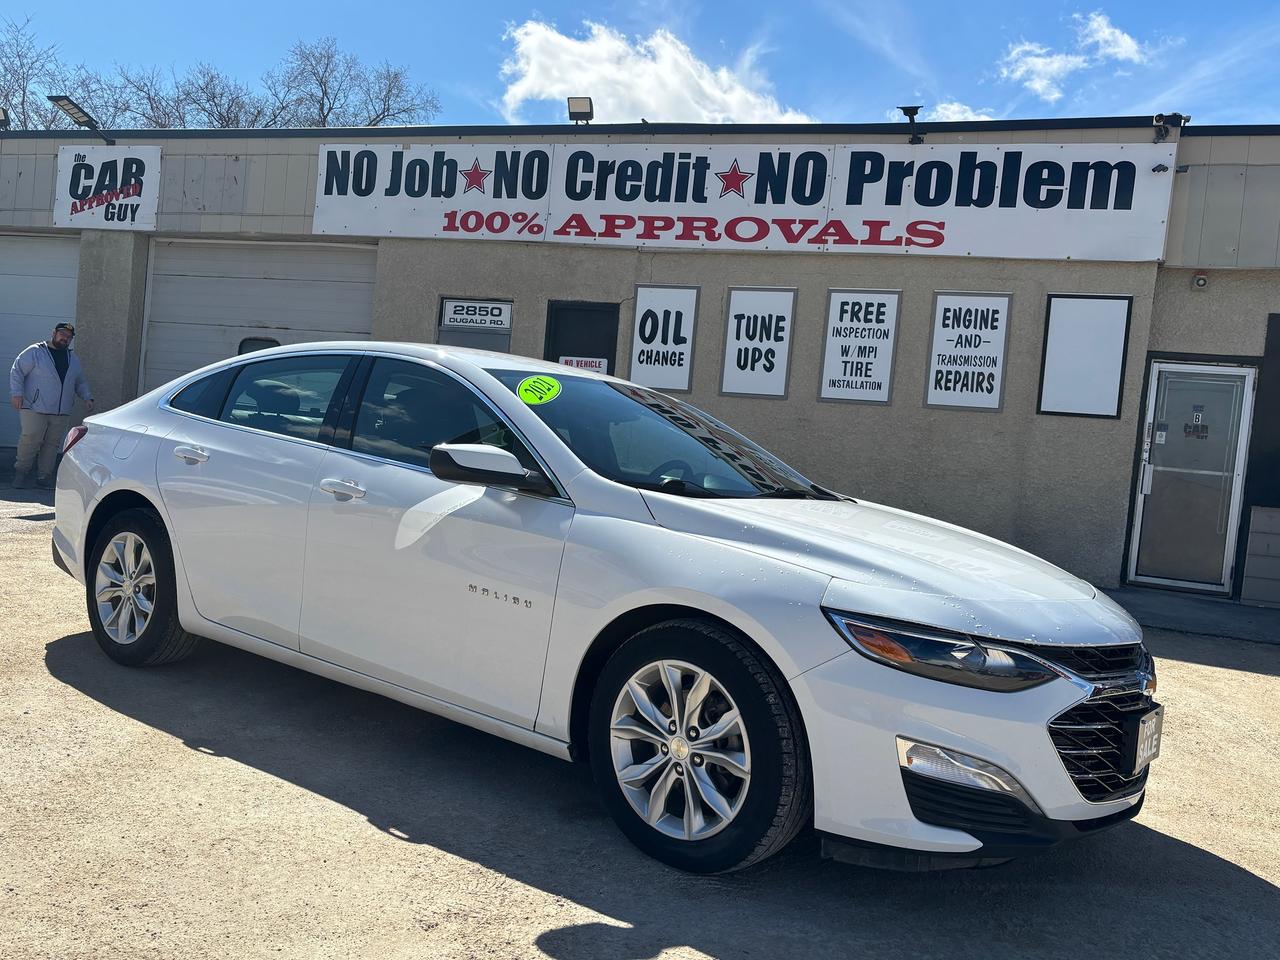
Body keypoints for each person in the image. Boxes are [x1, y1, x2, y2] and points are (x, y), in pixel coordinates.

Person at [9, 322, 94, 489]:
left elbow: (80, 381)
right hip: (34, 407)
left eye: (69, 337)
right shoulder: (35, 351)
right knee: (30, 439)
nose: (65, 338)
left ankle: (44, 476)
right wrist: (16, 393)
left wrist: (87, 397)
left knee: (52, 443)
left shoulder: (72, 359)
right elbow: (17, 370)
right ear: (54, 333)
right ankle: (21, 473)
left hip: (61, 411)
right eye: (62, 334)